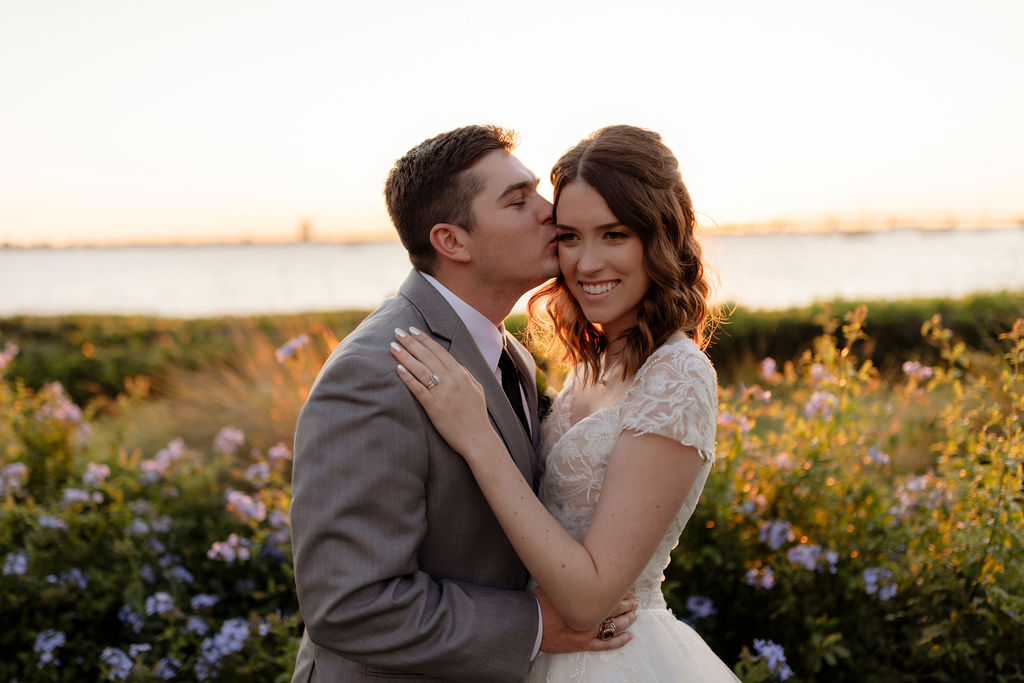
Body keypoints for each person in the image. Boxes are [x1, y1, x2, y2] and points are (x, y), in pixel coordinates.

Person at [391, 125, 740, 681]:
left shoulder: (677, 375)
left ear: (661, 237)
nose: (586, 263)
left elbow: (589, 601)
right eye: (571, 236)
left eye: (615, 234)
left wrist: (477, 436)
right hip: (531, 651)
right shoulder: (591, 364)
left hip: (611, 658)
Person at [289, 125, 637, 683]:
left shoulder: (510, 354)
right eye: (518, 201)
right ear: (453, 241)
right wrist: (537, 625)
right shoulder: (375, 373)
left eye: (537, 193)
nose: (550, 212)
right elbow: (349, 604)